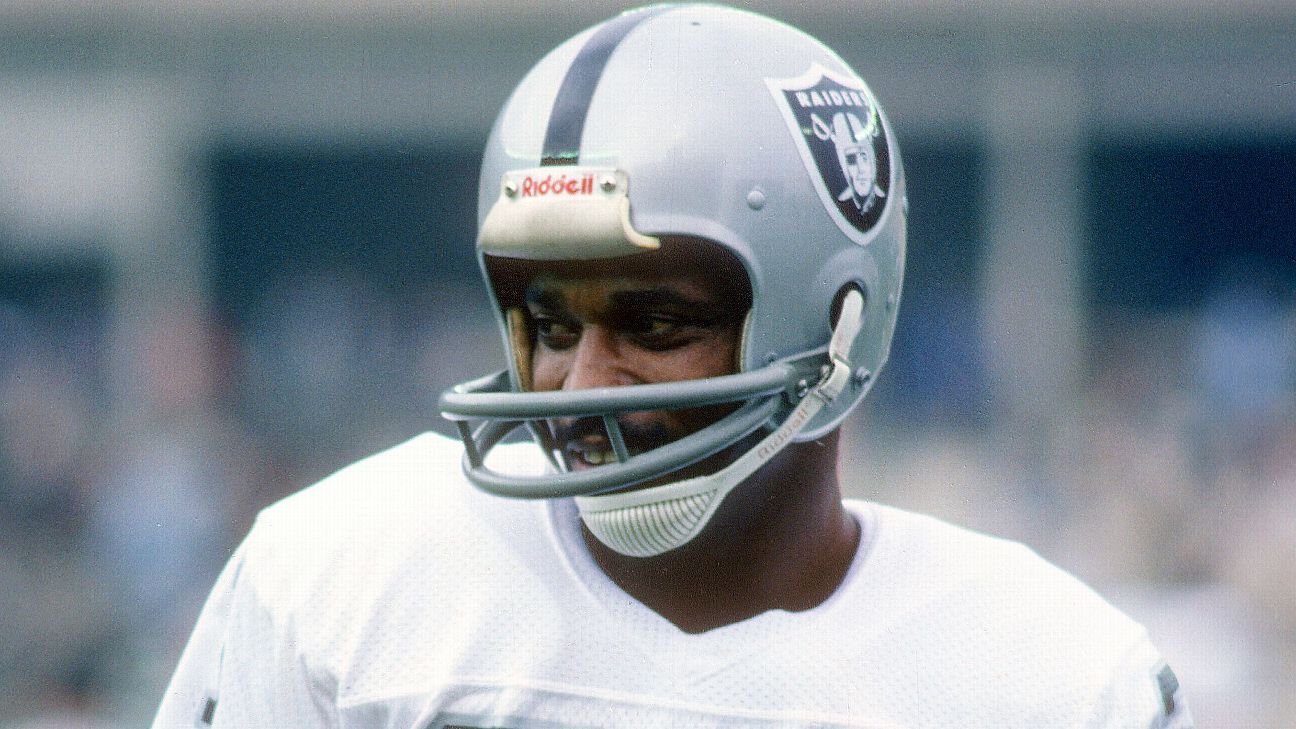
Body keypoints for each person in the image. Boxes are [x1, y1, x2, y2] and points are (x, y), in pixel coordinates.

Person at [154, 5, 1192, 727]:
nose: (586, 385)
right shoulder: (341, 581)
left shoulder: (1050, 680)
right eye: (554, 326)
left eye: (655, 324)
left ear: (836, 324)